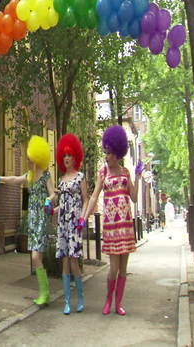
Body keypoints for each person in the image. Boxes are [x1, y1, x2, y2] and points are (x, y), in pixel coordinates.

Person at [83, 125, 143, 316]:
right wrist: (85, 217)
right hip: (111, 227)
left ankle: (119, 303)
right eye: (105, 152)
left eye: (108, 153)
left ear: (117, 153)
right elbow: (93, 196)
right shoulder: (103, 173)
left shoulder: (125, 172)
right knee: (113, 269)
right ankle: (108, 300)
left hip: (125, 226)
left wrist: (138, 176)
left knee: (123, 269)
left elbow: (133, 197)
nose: (106, 156)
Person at [0, 135, 54, 307]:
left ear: (37, 157)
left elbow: (53, 193)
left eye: (29, 158)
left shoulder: (45, 175)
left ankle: (45, 293)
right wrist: (0, 178)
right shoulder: (30, 175)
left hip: (41, 218)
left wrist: (49, 200)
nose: (28, 160)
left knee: (35, 256)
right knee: (35, 257)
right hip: (33, 219)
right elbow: (15, 179)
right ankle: (44, 293)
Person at [55, 134, 89, 314]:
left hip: (75, 223)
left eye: (70, 155)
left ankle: (81, 298)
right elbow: (61, 203)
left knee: (74, 260)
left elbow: (86, 200)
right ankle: (67, 301)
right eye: (64, 156)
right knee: (65, 261)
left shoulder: (80, 177)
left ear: (75, 157)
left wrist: (83, 218)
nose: (67, 158)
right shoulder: (61, 180)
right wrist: (51, 210)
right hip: (62, 222)